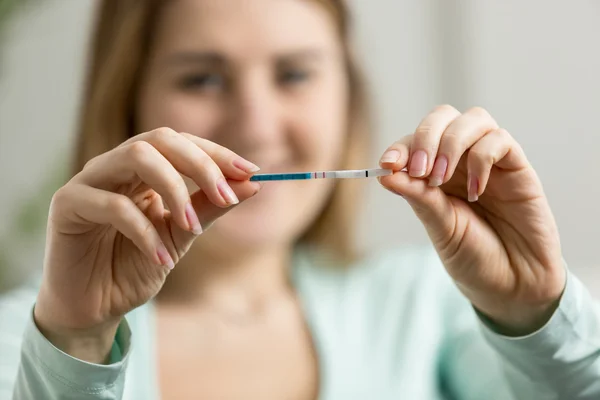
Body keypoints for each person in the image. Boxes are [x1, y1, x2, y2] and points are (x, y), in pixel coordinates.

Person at [1, 0, 599, 399]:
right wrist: (74, 347)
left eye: (294, 74)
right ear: (129, 100)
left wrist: (537, 315)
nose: (256, 126)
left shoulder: (429, 308)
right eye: (201, 78)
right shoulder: (32, 336)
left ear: (349, 100)